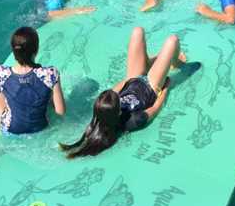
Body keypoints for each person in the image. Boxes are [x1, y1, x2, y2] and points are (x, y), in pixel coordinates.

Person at [60, 27, 185, 158]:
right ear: (118, 111)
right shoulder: (133, 120)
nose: (116, 93)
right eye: (117, 98)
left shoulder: (102, 108)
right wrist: (166, 87)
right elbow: (155, 107)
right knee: (172, 40)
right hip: (152, 86)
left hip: (132, 79)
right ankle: (176, 63)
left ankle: (149, 64)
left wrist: (133, 76)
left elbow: (121, 85)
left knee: (138, 31)